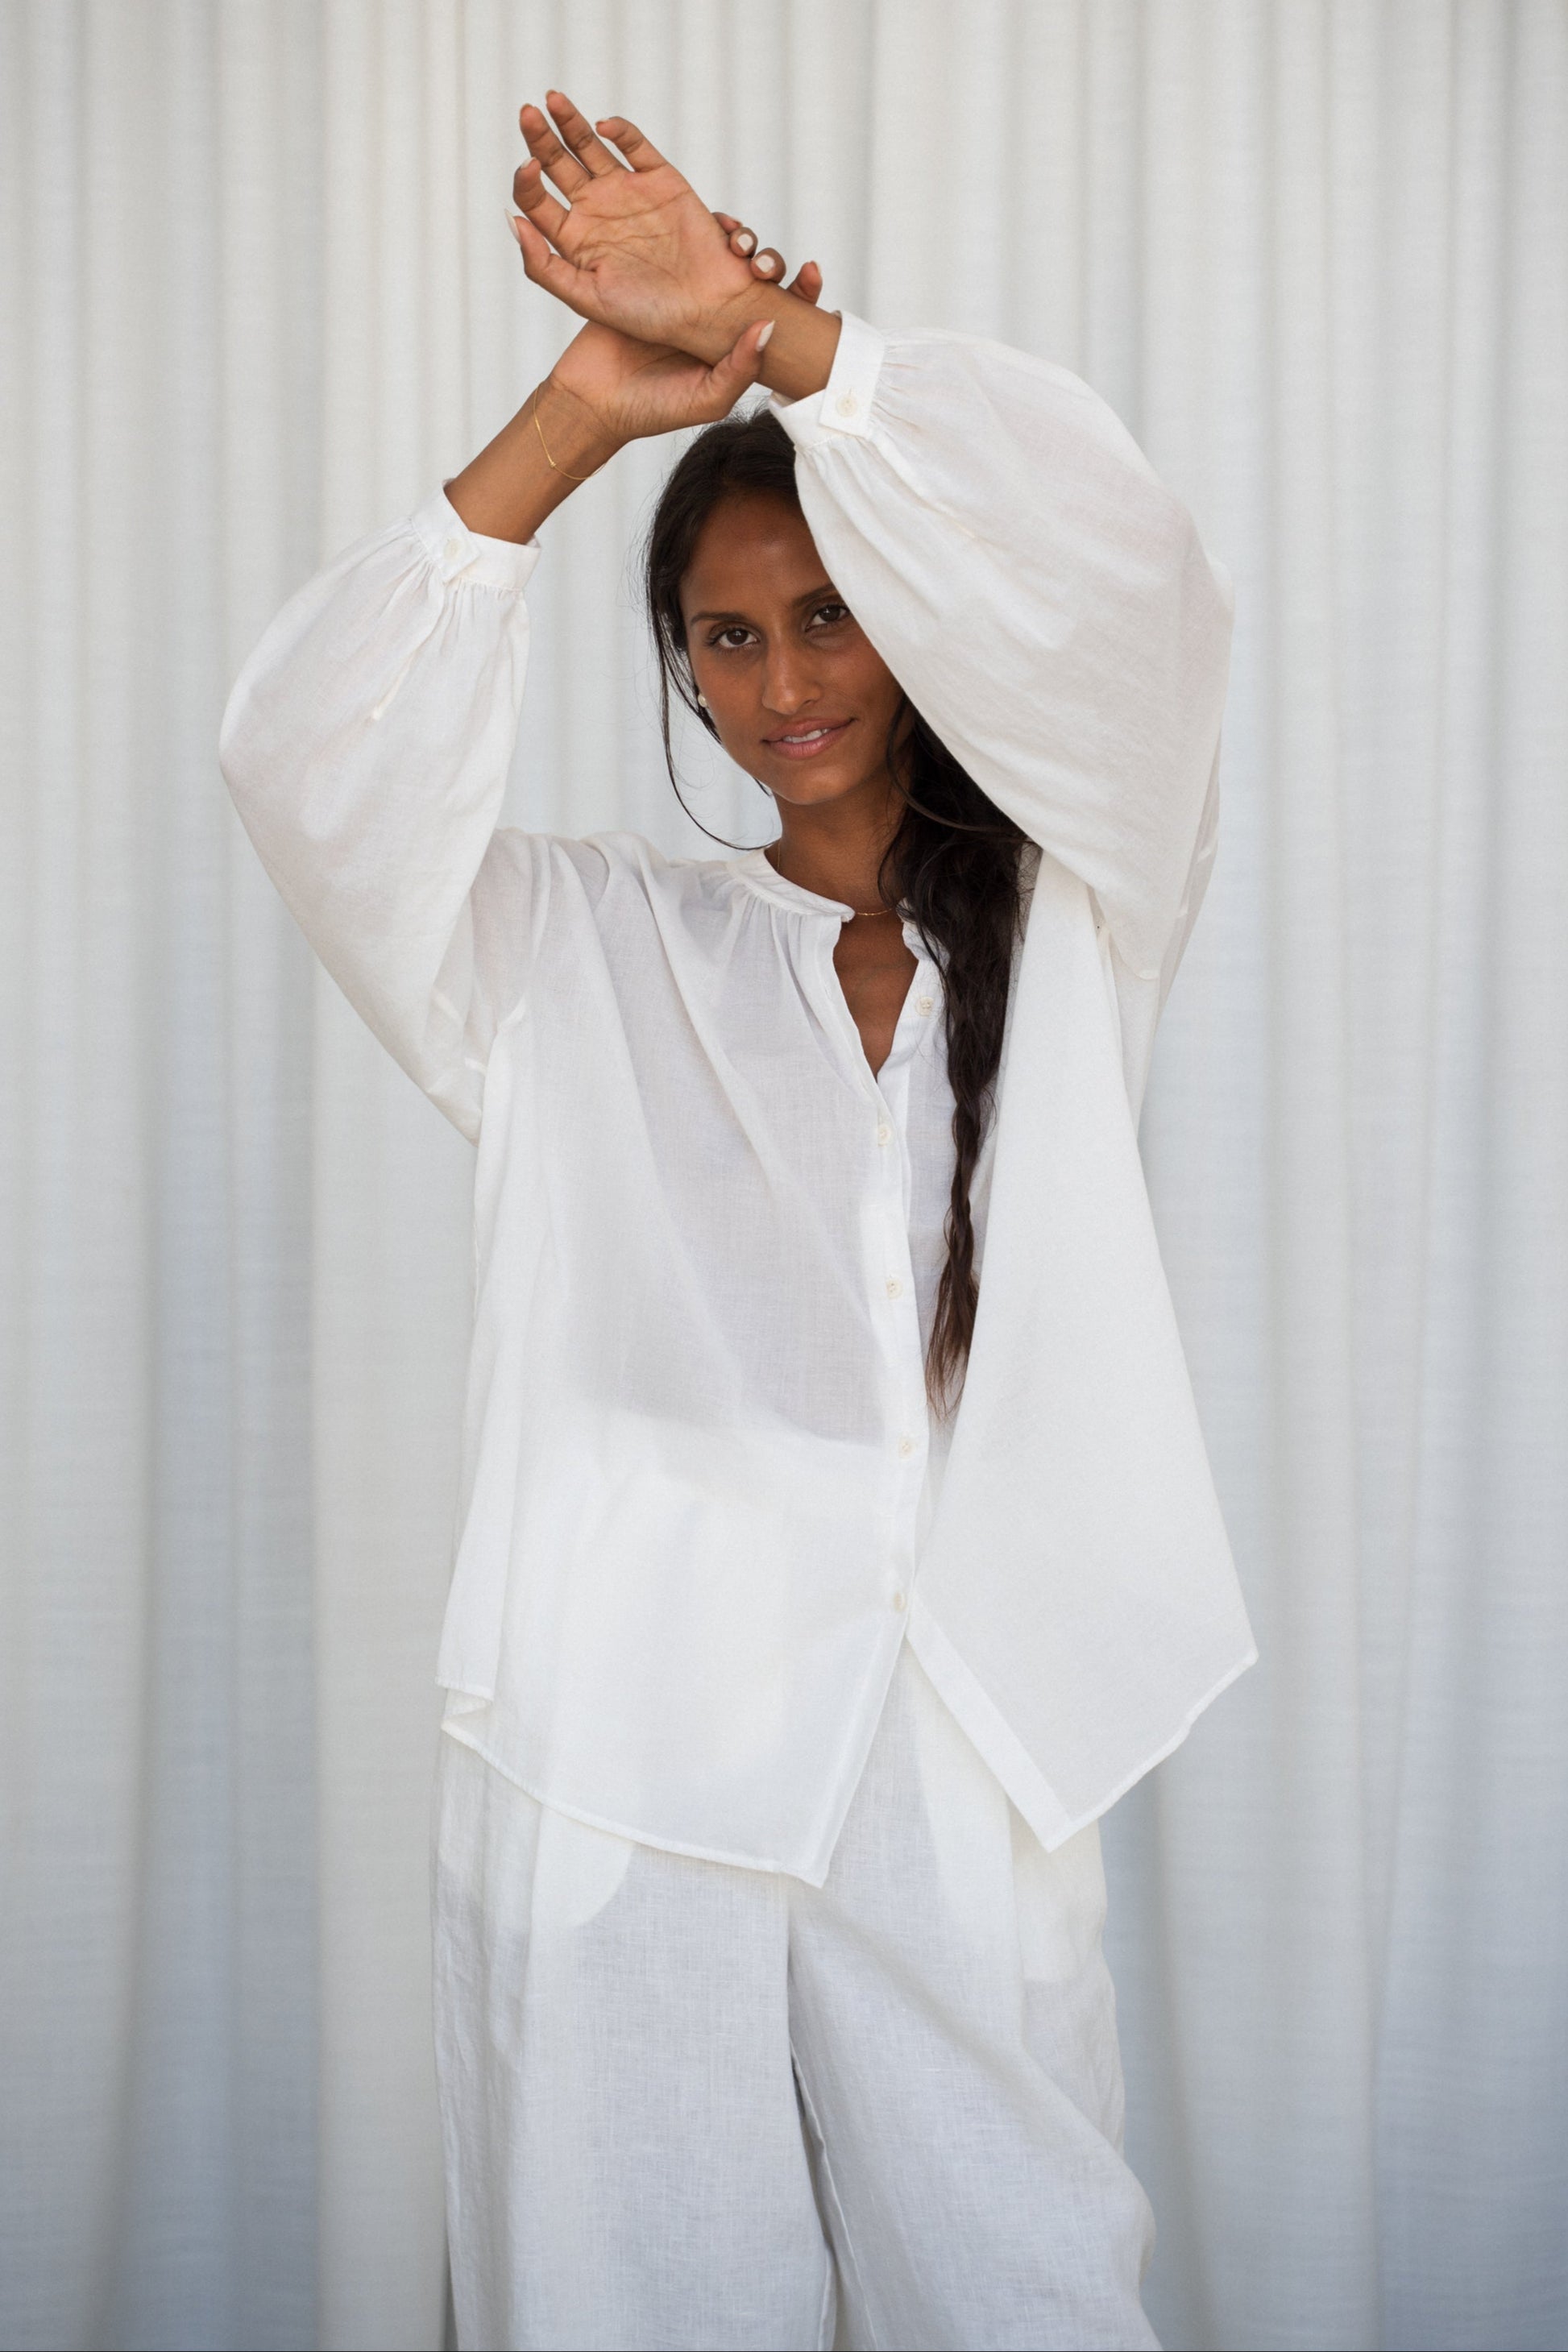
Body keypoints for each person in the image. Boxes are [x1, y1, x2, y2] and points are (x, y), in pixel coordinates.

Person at [220, 90, 1256, 2352]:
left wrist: (787, 344)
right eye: (718, 636)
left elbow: (1129, 590)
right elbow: (305, 761)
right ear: (673, 663)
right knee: (620, 2302)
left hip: (954, 1736)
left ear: (908, 624)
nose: (778, 686)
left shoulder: (1082, 916)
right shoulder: (578, 954)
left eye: (825, 620)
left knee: (1027, 2290)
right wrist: (590, 405)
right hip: (618, 1746)